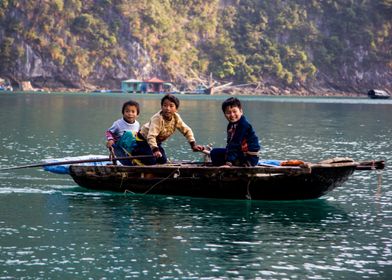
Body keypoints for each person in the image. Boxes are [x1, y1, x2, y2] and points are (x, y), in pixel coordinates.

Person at [132, 93, 204, 165]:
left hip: (156, 142)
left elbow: (187, 130)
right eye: (165, 105)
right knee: (152, 161)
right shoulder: (157, 118)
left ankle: (150, 152)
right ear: (162, 107)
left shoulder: (176, 118)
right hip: (143, 140)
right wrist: (155, 150)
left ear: (176, 109)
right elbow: (151, 136)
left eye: (171, 106)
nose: (167, 108)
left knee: (163, 161)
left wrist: (193, 145)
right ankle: (136, 152)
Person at [210, 97, 260, 167]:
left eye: (234, 111)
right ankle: (233, 162)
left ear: (241, 111)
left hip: (249, 158)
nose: (232, 115)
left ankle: (234, 164)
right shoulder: (231, 125)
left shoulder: (243, 125)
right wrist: (228, 155)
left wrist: (229, 162)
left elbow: (235, 144)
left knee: (217, 156)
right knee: (214, 153)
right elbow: (230, 143)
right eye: (228, 112)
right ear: (224, 114)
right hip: (240, 153)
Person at [105, 100, 140, 164]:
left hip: (131, 148)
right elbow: (109, 132)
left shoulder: (137, 124)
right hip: (120, 148)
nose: (130, 114)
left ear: (137, 114)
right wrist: (111, 139)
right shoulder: (118, 123)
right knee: (129, 134)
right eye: (127, 111)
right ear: (123, 113)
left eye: (133, 112)